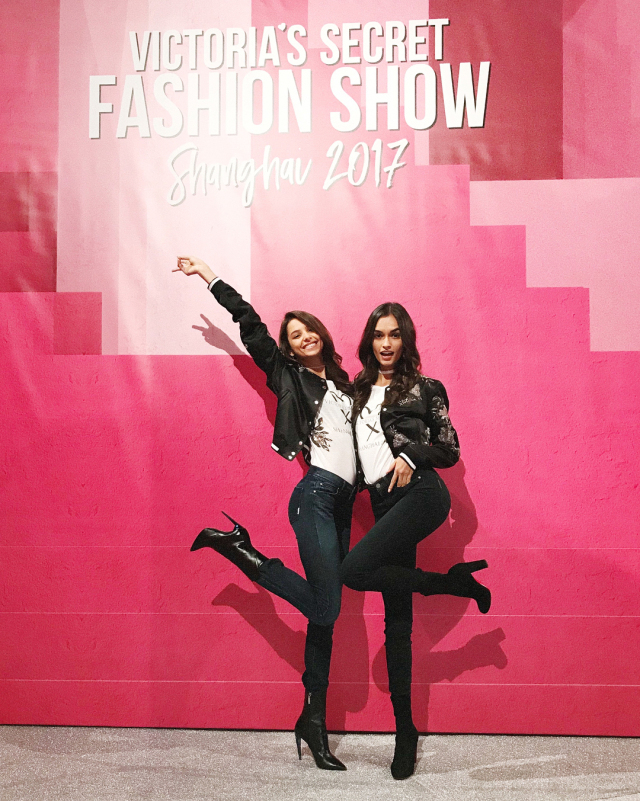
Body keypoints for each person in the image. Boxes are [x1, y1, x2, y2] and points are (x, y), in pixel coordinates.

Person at [174, 256, 356, 771]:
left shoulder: (347, 383)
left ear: (321, 335)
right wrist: (210, 276)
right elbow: (250, 324)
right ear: (289, 348)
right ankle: (245, 554)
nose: (303, 337)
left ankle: (313, 722)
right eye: (294, 335)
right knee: (327, 610)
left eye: (308, 330)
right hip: (315, 494)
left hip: (344, 503)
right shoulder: (286, 375)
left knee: (323, 619)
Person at [339, 303, 491, 780]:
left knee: (352, 571)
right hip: (383, 504)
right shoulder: (356, 390)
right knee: (397, 624)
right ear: (369, 340)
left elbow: (449, 448)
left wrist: (410, 454)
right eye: (378, 335)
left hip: (421, 493)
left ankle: (450, 583)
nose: (386, 343)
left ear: (405, 340)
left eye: (394, 335)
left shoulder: (426, 388)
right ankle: (405, 732)